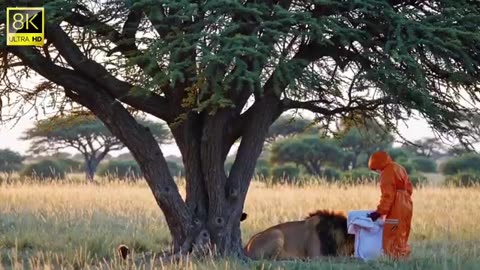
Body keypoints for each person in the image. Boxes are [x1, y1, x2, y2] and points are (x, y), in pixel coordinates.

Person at [366, 150, 413, 260]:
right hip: (407, 204)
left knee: (392, 232)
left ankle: (394, 261)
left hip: (397, 205)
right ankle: (403, 258)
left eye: (375, 169)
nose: (377, 171)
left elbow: (387, 196)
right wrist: (404, 199)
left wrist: (378, 212)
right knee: (402, 232)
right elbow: (410, 188)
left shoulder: (387, 172)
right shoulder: (399, 167)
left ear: (377, 164)